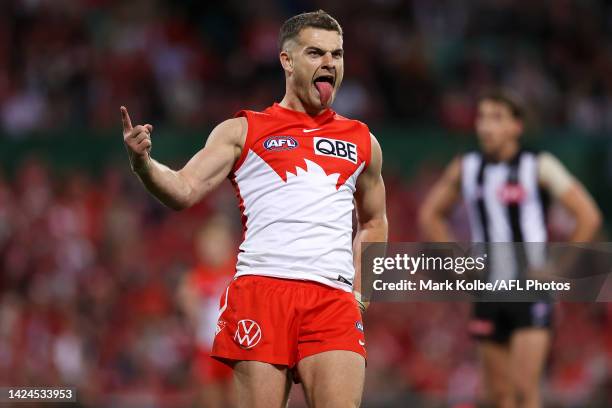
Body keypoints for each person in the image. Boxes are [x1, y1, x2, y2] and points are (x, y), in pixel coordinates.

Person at [120, 10, 387, 408]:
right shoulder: (243, 130)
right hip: (262, 291)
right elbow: (183, 189)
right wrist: (143, 165)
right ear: (287, 60)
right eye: (316, 52)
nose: (330, 63)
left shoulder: (362, 140)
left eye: (337, 54)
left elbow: (374, 222)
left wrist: (359, 297)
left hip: (332, 299)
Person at [418, 89, 601, 408]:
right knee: (497, 395)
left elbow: (588, 214)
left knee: (523, 391)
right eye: (482, 117)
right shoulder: (467, 166)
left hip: (530, 289)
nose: (486, 126)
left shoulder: (539, 165)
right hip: (488, 291)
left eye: (497, 118)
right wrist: (461, 262)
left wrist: (559, 266)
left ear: (516, 126)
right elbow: (430, 214)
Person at [177, 216, 237, 408]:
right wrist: (189, 303)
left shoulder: (238, 271)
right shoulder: (196, 276)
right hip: (207, 349)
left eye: (216, 243)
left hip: (236, 348)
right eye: (206, 245)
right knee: (210, 398)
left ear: (227, 244)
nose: (211, 250)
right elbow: (187, 302)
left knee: (238, 398)